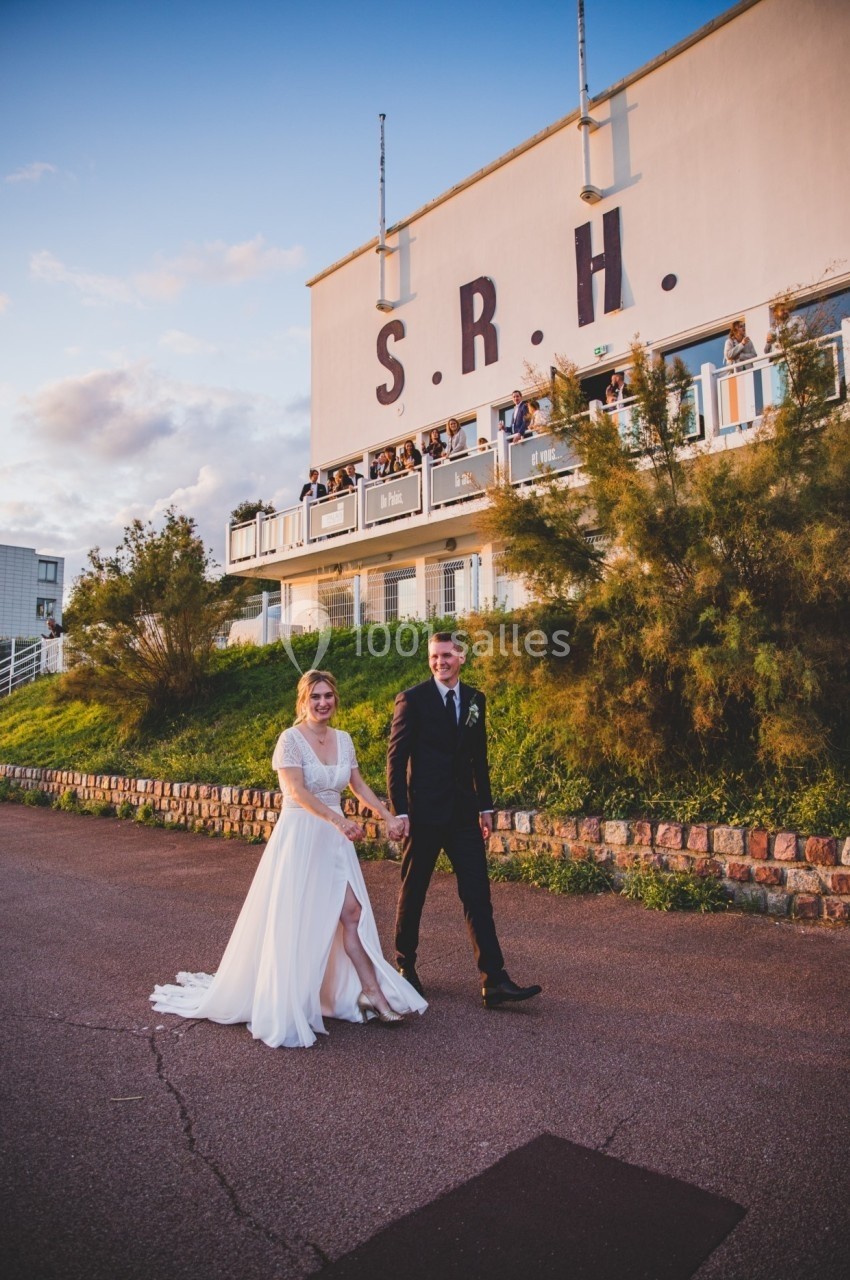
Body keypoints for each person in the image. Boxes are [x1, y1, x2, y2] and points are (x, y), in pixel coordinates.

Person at [151, 670, 427, 1048]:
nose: (323, 702)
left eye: (329, 695)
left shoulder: (343, 740)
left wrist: (388, 815)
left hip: (335, 840)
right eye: (315, 697)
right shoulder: (290, 740)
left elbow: (357, 785)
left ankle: (372, 993)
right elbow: (296, 792)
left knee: (351, 913)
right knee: (299, 916)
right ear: (303, 701)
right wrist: (338, 820)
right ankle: (291, 996)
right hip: (301, 836)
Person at [387, 632, 543, 1010]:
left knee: (477, 895)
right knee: (414, 892)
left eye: (446, 655)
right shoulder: (412, 700)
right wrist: (400, 811)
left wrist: (485, 807)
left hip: (463, 816)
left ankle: (494, 980)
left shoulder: (476, 700)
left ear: (462, 658)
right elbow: (395, 759)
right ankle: (405, 967)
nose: (439, 662)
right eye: (434, 656)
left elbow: (479, 758)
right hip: (423, 816)